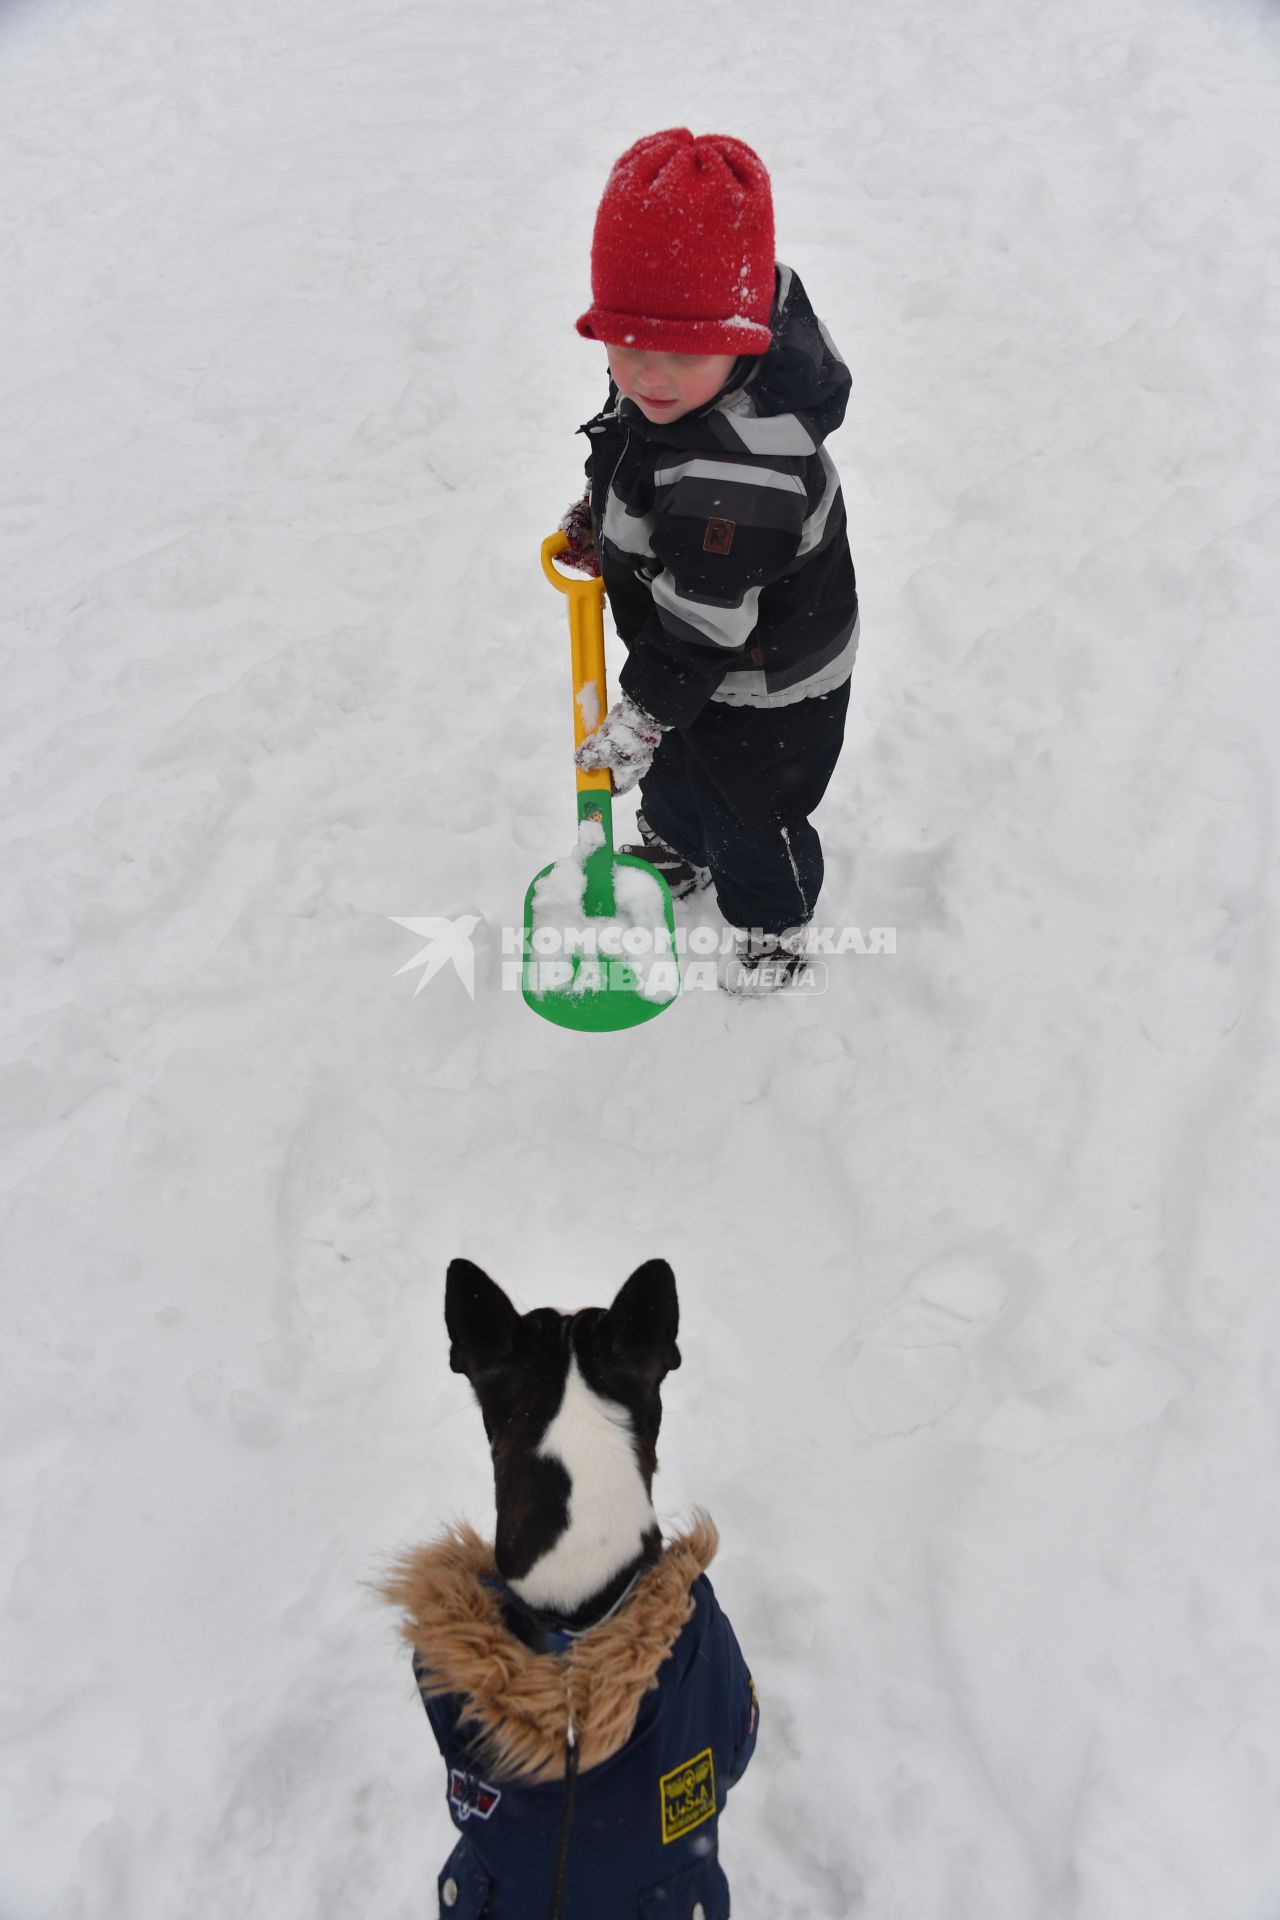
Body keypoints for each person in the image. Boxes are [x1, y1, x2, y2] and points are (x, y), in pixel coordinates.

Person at [562, 127, 859, 993]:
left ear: (745, 336)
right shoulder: (679, 375)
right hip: (690, 655)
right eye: (624, 349)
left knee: (753, 814)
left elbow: (707, 619)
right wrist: (605, 517)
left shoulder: (742, 470)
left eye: (679, 356)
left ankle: (774, 926)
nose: (647, 379)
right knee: (686, 778)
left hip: (767, 677)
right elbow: (635, 452)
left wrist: (643, 712)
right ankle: (678, 844)